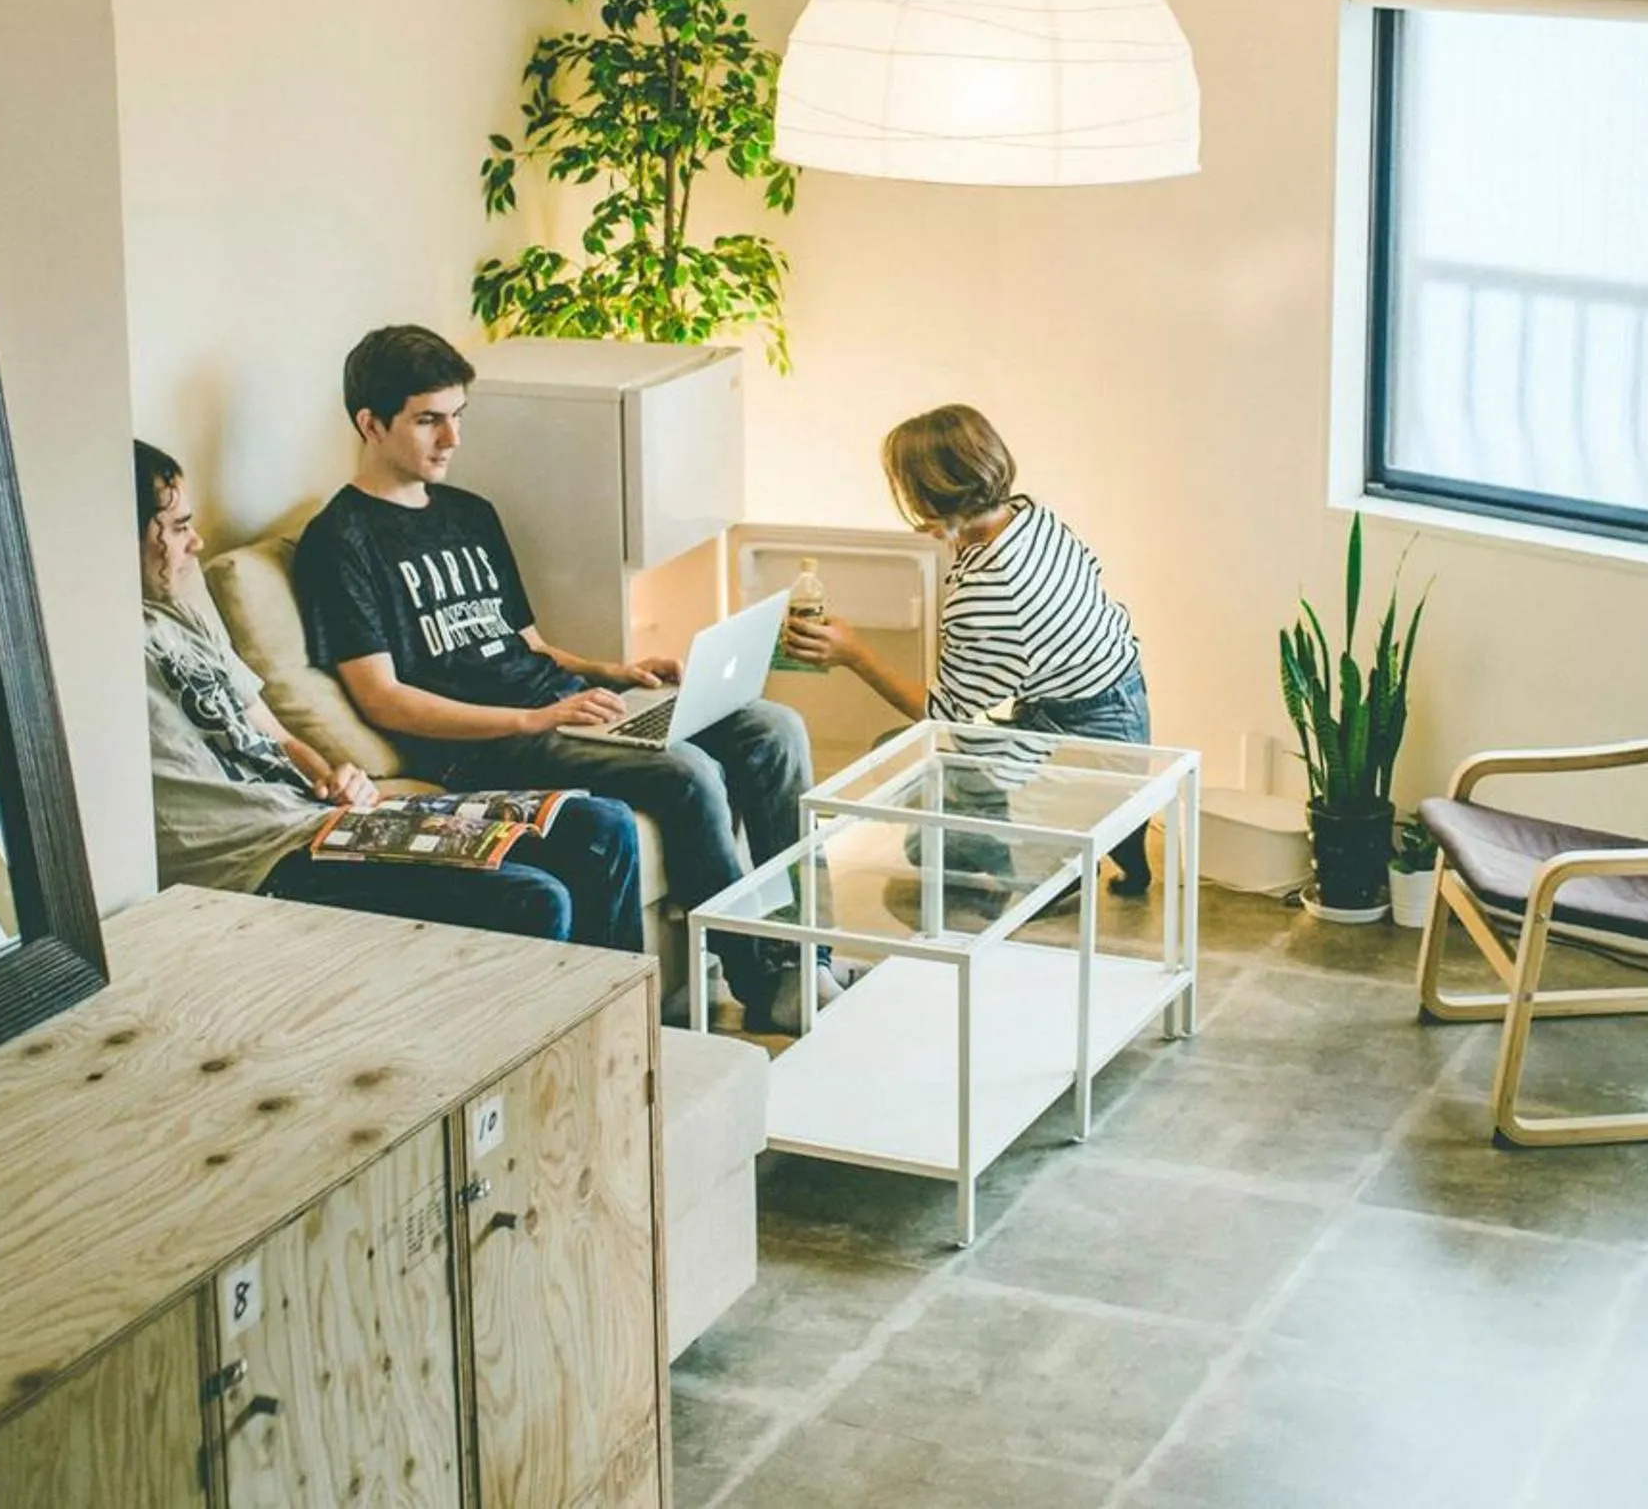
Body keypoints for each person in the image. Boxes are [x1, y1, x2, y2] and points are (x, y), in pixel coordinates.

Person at [288, 328, 821, 1028]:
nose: (451, 438)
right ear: (370, 423)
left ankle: (807, 955)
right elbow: (383, 699)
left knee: (772, 728)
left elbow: (529, 645)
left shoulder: (470, 513)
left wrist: (615, 672)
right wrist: (533, 720)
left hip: (563, 708)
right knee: (686, 770)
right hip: (487, 744)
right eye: (428, 419)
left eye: (458, 416)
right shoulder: (341, 541)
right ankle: (761, 980)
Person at [137, 441, 640, 953]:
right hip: (262, 859)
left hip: (322, 817)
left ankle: (624, 1030)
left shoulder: (183, 614)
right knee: (535, 898)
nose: (196, 542)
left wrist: (331, 774)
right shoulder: (95, 661)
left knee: (602, 827)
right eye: (176, 528)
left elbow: (276, 733)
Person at [783, 404, 1154, 895]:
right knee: (932, 762)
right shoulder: (1031, 517)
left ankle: (1047, 867)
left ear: (928, 494)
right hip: (1124, 708)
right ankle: (1110, 834)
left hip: (1080, 743)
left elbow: (943, 715)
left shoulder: (990, 590)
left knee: (924, 838)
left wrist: (855, 654)